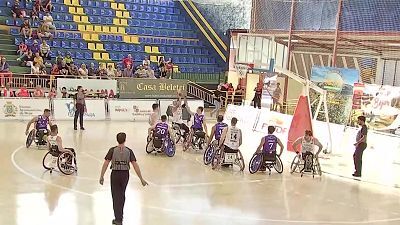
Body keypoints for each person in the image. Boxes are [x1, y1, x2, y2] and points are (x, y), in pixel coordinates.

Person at [99, 132, 148, 225]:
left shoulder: (112, 150)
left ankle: (118, 218)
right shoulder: (129, 151)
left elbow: (106, 163)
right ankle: (120, 215)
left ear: (117, 140)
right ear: (125, 140)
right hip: (125, 175)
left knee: (115, 195)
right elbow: (135, 165)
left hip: (115, 174)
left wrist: (102, 176)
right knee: (121, 194)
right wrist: (141, 179)